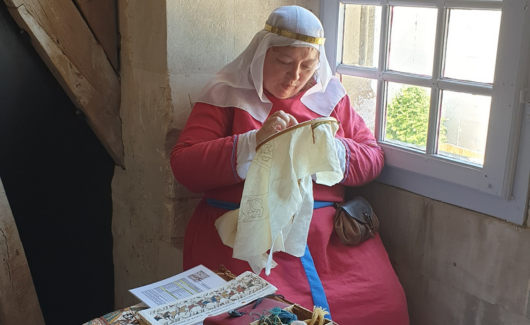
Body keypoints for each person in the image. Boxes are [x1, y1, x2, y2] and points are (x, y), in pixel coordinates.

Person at [170, 6, 409, 325]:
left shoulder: (330, 97)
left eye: (308, 65)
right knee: (260, 317)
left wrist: (326, 148)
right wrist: (253, 143)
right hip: (246, 238)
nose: (296, 76)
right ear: (261, 54)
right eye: (283, 63)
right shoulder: (226, 93)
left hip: (328, 240)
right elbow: (185, 165)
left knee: (383, 305)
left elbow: (372, 157)